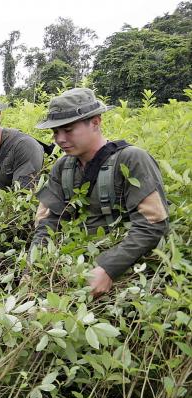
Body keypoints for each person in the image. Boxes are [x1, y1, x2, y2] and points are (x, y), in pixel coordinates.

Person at [31, 87, 169, 300]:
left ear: (95, 122)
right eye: (55, 132)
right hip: (73, 267)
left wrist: (108, 268)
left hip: (131, 270)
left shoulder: (132, 159)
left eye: (67, 129)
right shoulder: (62, 167)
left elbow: (152, 224)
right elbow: (48, 222)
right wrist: (33, 268)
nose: (59, 139)